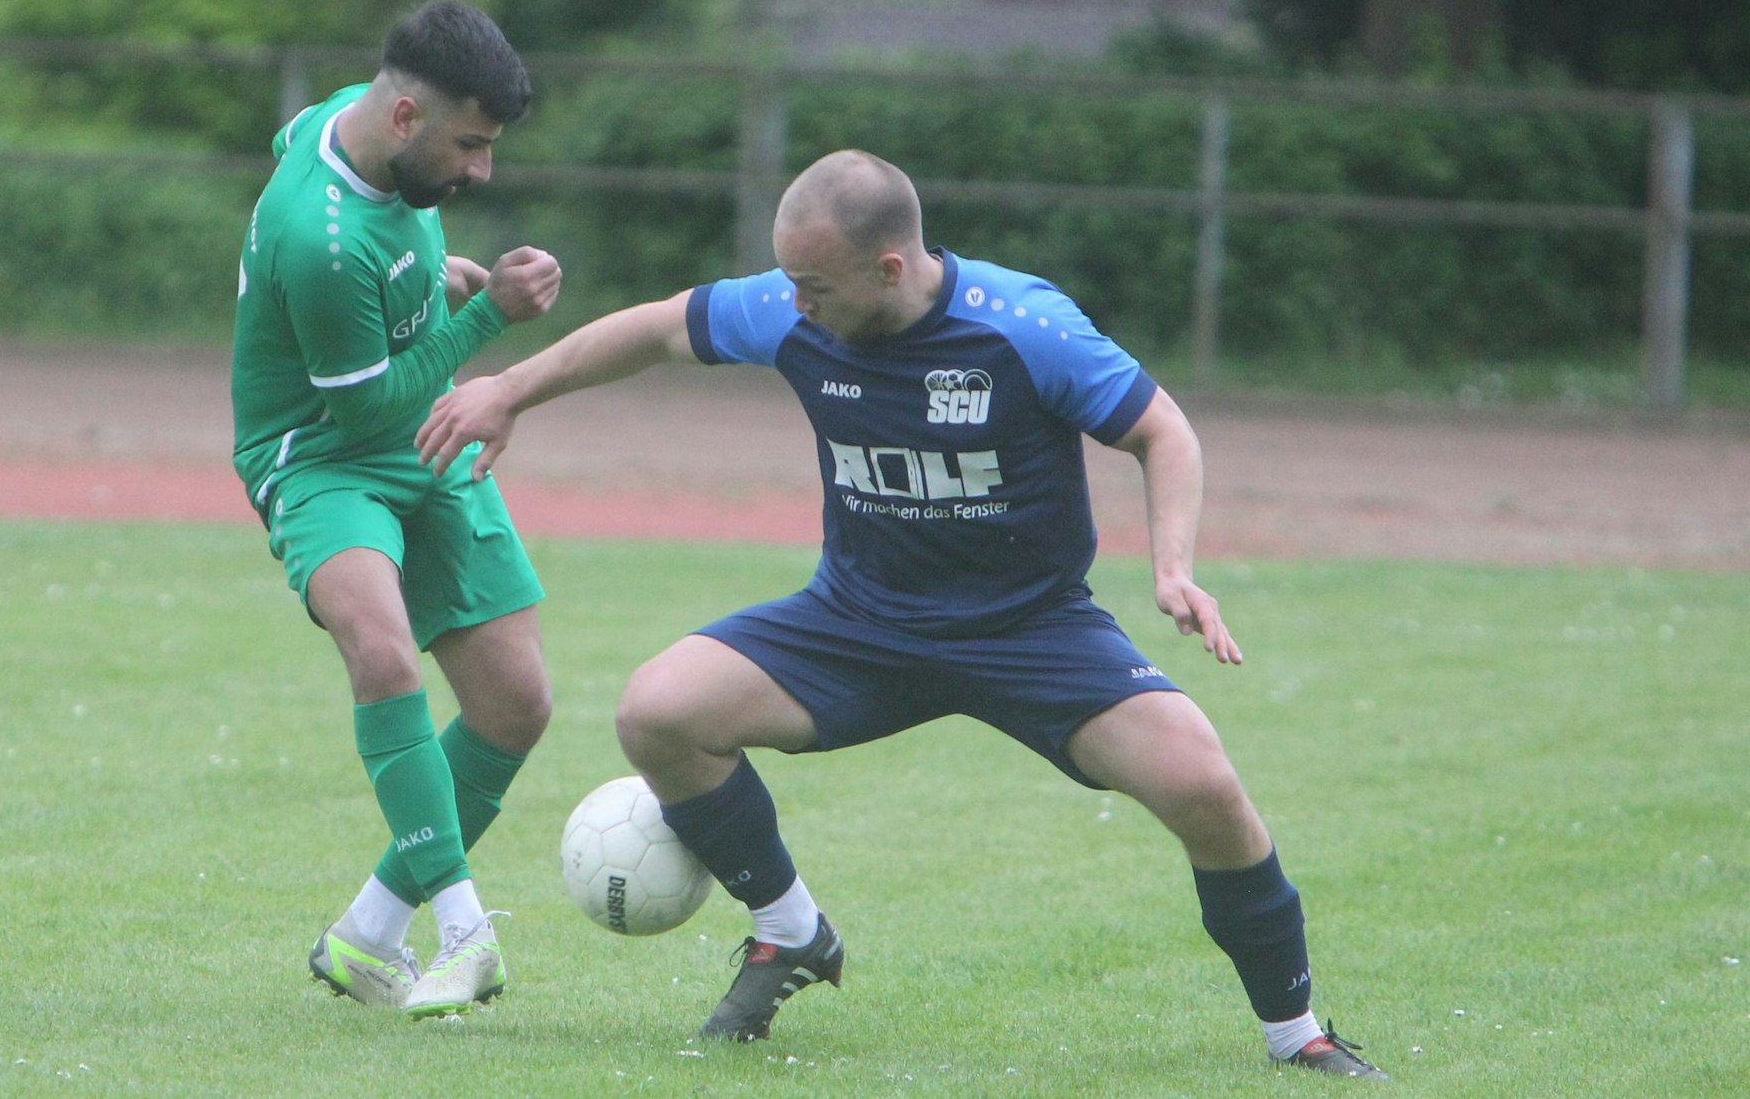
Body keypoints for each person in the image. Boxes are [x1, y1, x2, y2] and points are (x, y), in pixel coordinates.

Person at [417, 149, 1388, 1077]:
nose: (792, 304)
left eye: (816, 286)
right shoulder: (796, 308)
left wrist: (1171, 567)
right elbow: (657, 327)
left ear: (889, 267)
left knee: (1203, 786)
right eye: (788, 282)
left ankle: (1294, 1036)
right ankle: (790, 932)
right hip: (858, 624)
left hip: (1030, 631)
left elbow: (1160, 430)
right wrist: (509, 387)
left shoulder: (1022, 327)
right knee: (658, 713)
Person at [229, 0, 562, 1019]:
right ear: (409, 119)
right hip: (323, 459)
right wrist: (485, 315)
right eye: (470, 145)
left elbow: (378, 226)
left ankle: (367, 938)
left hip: (423, 441)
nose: (481, 172)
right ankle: (465, 931)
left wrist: (429, 277)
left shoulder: (347, 118)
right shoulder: (317, 238)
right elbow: (365, 402)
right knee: (379, 652)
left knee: (515, 706)